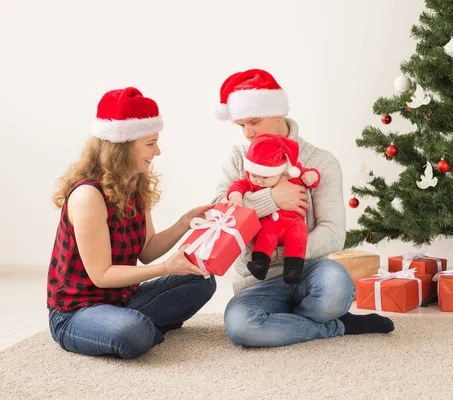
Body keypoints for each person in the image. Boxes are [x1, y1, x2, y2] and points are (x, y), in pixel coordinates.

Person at [212, 69, 395, 347]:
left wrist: (288, 252)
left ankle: (286, 324)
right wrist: (272, 199)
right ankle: (334, 326)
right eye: (241, 125)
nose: (248, 133)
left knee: (336, 288)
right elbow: (219, 217)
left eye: (254, 121)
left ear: (277, 114)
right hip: (257, 282)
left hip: (309, 273)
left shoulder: (320, 162)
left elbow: (334, 233)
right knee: (241, 326)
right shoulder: (238, 159)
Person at [47, 87, 216, 358]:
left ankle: (132, 324)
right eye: (150, 143)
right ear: (122, 146)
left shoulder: (135, 183)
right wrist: (165, 268)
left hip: (122, 300)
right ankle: (135, 327)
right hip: (76, 312)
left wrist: (185, 222)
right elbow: (101, 276)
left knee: (202, 281)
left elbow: (147, 251)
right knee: (132, 333)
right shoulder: (88, 196)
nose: (157, 151)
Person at [227, 133, 320, 284]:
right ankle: (260, 264)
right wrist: (236, 196)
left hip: (292, 223)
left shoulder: (292, 174)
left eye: (265, 177)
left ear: (279, 171)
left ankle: (293, 269)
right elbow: (239, 185)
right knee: (265, 233)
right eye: (254, 175)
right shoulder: (254, 182)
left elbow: (312, 174)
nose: (258, 181)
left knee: (299, 234)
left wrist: (312, 176)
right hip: (269, 223)